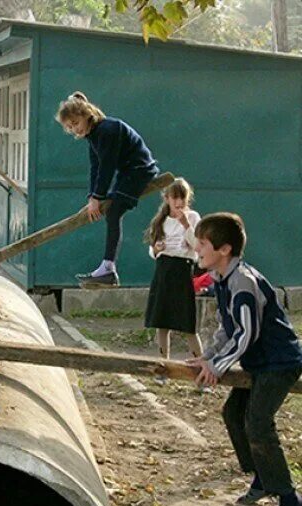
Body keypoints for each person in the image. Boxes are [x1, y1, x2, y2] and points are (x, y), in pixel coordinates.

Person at [188, 212, 302, 506]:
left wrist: (217, 365)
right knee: (233, 413)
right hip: (258, 362)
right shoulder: (223, 278)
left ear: (223, 250)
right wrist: (208, 355)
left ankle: (291, 503)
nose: (197, 250)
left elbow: (247, 333)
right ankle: (263, 479)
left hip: (279, 362)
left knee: (257, 422)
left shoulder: (243, 282)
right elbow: (229, 327)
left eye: (203, 245)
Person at [56, 91, 160, 287]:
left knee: (113, 212)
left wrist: (98, 197)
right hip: (127, 173)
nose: (75, 130)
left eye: (76, 123)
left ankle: (108, 269)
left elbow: (107, 166)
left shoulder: (107, 130)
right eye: (70, 128)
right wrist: (92, 197)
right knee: (111, 208)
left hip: (139, 170)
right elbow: (95, 168)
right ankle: (107, 268)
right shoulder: (93, 136)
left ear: (87, 115)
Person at [143, 179, 203, 376]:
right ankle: (163, 368)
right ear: (167, 198)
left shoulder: (192, 217)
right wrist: (155, 249)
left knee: (188, 325)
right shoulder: (161, 220)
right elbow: (153, 250)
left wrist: (186, 226)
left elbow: (197, 247)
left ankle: (199, 370)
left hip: (183, 269)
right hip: (164, 270)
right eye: (175, 197)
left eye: (182, 198)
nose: (179, 202)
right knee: (162, 322)